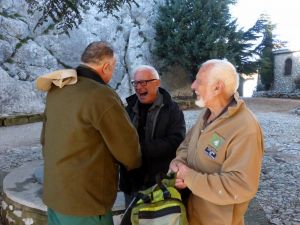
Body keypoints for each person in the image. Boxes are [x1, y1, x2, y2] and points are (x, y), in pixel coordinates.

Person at [40, 41, 141, 225]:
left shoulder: (56, 89)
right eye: (114, 67)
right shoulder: (102, 95)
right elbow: (129, 152)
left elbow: (44, 140)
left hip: (55, 195)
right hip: (86, 203)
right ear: (107, 66)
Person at [169, 59, 264, 225]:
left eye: (199, 81)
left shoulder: (245, 127)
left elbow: (241, 185)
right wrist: (177, 165)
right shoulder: (207, 114)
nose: (193, 86)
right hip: (191, 216)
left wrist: (189, 177)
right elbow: (186, 146)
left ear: (217, 87)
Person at [119, 65, 186, 206]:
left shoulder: (172, 109)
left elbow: (177, 140)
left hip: (159, 183)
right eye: (135, 83)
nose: (138, 87)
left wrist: (141, 149)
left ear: (157, 83)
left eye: (143, 82)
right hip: (132, 184)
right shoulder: (128, 109)